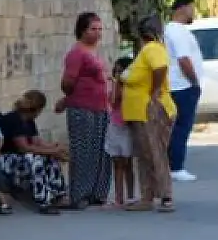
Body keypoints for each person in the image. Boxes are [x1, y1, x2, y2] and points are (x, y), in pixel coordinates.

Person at [120, 16, 178, 212]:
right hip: (140, 112)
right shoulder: (145, 52)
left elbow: (160, 68)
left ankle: (165, 196)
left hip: (150, 110)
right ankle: (147, 196)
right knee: (145, 156)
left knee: (155, 153)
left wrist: (154, 91)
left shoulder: (152, 48)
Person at [60, 11, 113, 208]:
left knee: (102, 151)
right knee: (83, 151)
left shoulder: (95, 52)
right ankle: (79, 195)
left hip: (101, 108)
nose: (97, 33)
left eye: (100, 29)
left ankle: (97, 193)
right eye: (93, 29)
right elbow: (67, 82)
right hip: (82, 109)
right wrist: (71, 97)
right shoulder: (77, 53)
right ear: (82, 30)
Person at [0, 90, 69, 215]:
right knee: (36, 160)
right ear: (38, 109)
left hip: (21, 157)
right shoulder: (14, 119)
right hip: (5, 159)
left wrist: (56, 147)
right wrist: (53, 150)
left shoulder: (29, 120)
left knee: (51, 157)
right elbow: (24, 147)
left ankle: (59, 195)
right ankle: (43, 201)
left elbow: (37, 142)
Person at [164, 0, 202, 182]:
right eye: (191, 8)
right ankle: (176, 167)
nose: (193, 12)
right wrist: (194, 81)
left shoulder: (172, 30)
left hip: (178, 86)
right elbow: (183, 59)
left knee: (176, 128)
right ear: (182, 9)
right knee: (182, 127)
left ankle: (171, 166)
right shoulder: (177, 31)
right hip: (183, 86)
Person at [105, 57, 136, 208]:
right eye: (116, 71)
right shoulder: (114, 87)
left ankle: (130, 196)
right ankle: (119, 197)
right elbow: (113, 101)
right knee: (117, 163)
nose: (118, 74)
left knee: (128, 163)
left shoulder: (131, 87)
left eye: (121, 71)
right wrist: (116, 83)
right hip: (115, 126)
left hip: (128, 127)